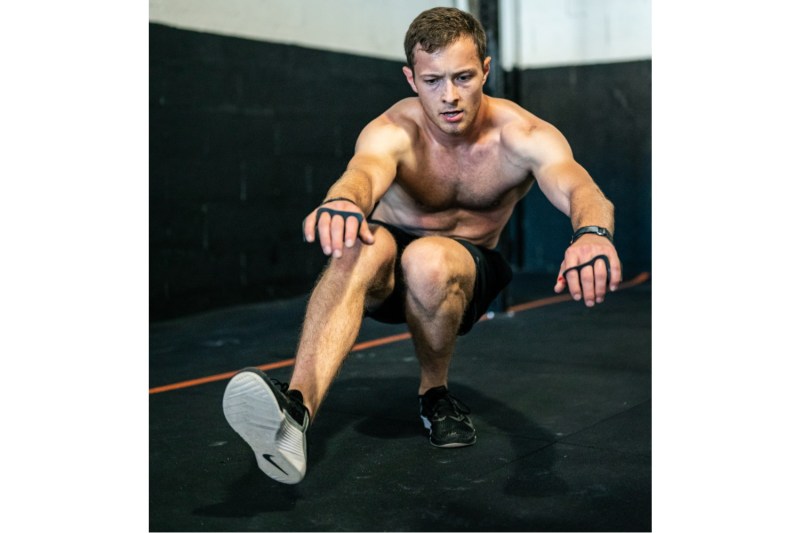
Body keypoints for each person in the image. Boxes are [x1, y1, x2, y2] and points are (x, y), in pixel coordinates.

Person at [222, 6, 622, 484]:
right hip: (388, 265)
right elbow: (362, 174)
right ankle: (295, 413)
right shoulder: (393, 129)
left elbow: (581, 189)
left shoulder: (522, 134)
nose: (449, 96)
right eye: (433, 81)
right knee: (356, 247)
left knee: (429, 258)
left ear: (486, 71)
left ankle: (435, 392)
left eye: (463, 77)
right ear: (411, 78)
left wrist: (592, 235)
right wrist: (344, 203)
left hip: (466, 266)